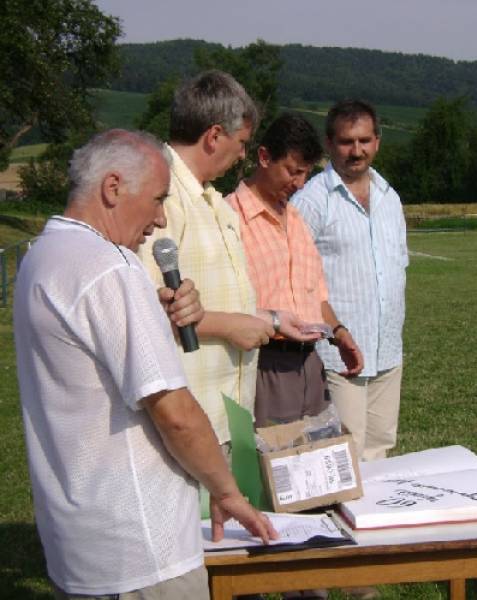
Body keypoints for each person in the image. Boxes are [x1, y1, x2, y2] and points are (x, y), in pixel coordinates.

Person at [13, 129, 278, 599]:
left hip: (80, 546)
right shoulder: (111, 267)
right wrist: (226, 491)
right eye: (157, 200)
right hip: (142, 556)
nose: (159, 221)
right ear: (113, 188)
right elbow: (175, 414)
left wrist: (149, 316)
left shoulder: (43, 255)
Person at [137, 70, 316, 449]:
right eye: (242, 142)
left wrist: (272, 319)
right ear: (214, 136)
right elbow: (145, 315)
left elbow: (221, 300)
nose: (243, 155)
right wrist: (231, 327)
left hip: (223, 415)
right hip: (189, 421)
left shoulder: (209, 199)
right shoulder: (164, 195)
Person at [226, 111, 363, 429]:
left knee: (318, 463)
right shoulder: (230, 218)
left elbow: (316, 295)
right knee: (274, 465)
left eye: (306, 174)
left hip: (310, 363)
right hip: (265, 363)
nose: (299, 184)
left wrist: (339, 334)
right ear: (264, 157)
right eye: (292, 171)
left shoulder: (297, 220)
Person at [293, 99, 408, 463]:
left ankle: (371, 521)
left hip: (386, 349)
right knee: (344, 453)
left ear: (377, 141)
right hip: (336, 354)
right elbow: (296, 278)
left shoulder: (390, 197)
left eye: (364, 140)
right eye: (346, 141)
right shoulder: (312, 200)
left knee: (380, 447)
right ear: (329, 143)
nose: (356, 151)